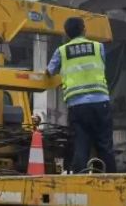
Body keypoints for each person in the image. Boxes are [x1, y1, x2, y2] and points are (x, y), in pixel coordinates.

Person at [46, 16, 116, 173]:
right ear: (84, 29)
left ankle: (80, 180)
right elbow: (102, 65)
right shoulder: (98, 47)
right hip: (100, 103)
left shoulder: (62, 51)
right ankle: (111, 180)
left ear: (66, 34)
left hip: (77, 106)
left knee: (81, 145)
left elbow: (49, 72)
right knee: (105, 145)